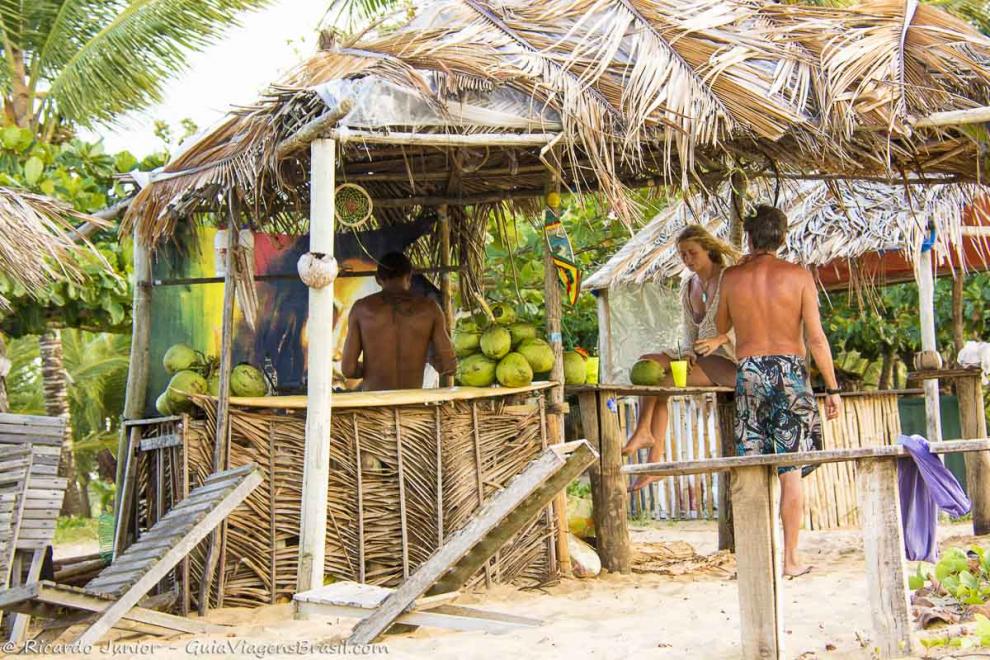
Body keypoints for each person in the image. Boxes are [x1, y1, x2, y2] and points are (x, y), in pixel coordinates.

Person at [715, 204, 842, 578]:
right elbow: (816, 339)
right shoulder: (799, 276)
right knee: (790, 471)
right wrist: (832, 388)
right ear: (783, 238)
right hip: (790, 373)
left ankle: (755, 559)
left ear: (750, 237)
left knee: (752, 470)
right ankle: (789, 559)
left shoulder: (731, 278)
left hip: (750, 372)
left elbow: (722, 325)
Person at [623, 225, 741, 491]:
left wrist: (721, 339)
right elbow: (690, 331)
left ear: (708, 250)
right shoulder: (689, 284)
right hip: (700, 356)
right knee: (647, 364)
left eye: (692, 253)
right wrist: (687, 354)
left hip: (729, 360)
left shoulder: (728, 278)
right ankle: (646, 438)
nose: (688, 260)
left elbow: (750, 321)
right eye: (683, 255)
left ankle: (652, 458)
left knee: (663, 382)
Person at [341, 252, 457, 391]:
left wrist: (374, 369)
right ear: (409, 276)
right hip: (410, 405)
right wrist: (428, 362)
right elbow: (450, 366)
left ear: (378, 279)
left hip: (374, 406)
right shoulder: (430, 309)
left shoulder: (361, 309)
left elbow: (348, 370)